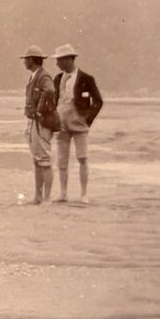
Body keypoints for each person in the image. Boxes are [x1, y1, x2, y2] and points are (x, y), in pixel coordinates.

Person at [52, 44, 103, 204]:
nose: (57, 63)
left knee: (82, 158)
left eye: (59, 60)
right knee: (62, 160)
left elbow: (98, 101)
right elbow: (54, 101)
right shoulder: (57, 79)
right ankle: (63, 193)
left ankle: (83, 194)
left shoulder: (86, 79)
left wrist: (87, 120)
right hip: (61, 122)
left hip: (79, 122)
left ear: (69, 59)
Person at [20, 44, 56, 204]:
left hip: (40, 123)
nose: (24, 62)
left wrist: (40, 110)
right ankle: (38, 197)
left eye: (26, 59)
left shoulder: (43, 76)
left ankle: (46, 198)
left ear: (31, 60)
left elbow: (49, 90)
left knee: (44, 160)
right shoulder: (36, 76)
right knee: (37, 160)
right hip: (33, 122)